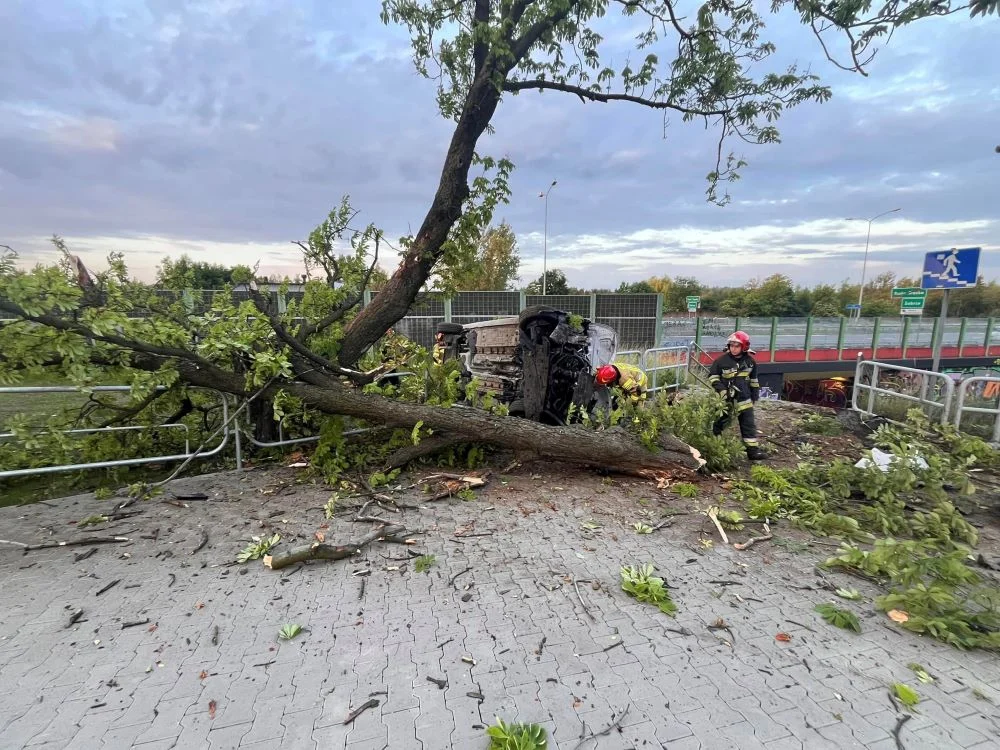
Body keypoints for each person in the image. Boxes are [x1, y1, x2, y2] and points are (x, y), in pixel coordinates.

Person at [708, 331, 767, 460]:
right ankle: (714, 448)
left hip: (744, 400)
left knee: (748, 425)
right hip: (726, 400)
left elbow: (754, 380)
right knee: (719, 424)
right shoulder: (720, 361)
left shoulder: (750, 362)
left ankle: (753, 452)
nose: (733, 348)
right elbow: (713, 377)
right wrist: (722, 391)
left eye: (737, 346)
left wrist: (754, 396)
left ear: (744, 347)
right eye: (732, 345)